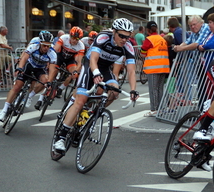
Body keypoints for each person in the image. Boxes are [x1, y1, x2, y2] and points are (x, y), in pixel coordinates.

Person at [53, 18, 139, 153]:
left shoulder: (127, 46)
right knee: (80, 101)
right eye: (121, 36)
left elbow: (131, 70)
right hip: (90, 66)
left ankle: (92, 115)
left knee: (114, 92)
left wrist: (134, 90)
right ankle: (61, 137)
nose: (124, 39)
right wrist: (96, 73)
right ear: (114, 32)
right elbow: (93, 59)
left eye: (127, 37)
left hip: (105, 69)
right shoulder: (104, 37)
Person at [0, 32, 57, 122]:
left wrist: (49, 81)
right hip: (29, 65)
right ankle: (4, 110)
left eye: (48, 46)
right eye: (44, 45)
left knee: (45, 81)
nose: (46, 48)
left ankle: (30, 96)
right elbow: (24, 58)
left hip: (40, 69)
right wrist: (20, 68)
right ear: (40, 43)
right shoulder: (33, 46)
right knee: (17, 86)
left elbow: (52, 69)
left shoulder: (52, 53)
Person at [34, 26, 85, 109]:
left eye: (77, 39)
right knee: (52, 75)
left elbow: (79, 62)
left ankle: (61, 88)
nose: (75, 40)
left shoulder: (81, 46)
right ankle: (40, 99)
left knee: (74, 75)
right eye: (73, 38)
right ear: (70, 36)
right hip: (59, 57)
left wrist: (75, 71)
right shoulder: (64, 38)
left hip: (70, 60)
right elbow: (54, 50)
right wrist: (49, 61)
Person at [141, 21, 170, 117]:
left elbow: (142, 52)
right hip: (164, 67)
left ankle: (154, 110)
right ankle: (161, 108)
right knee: (160, 89)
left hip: (153, 67)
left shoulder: (149, 39)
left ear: (148, 30)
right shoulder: (162, 39)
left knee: (153, 89)